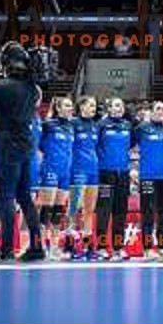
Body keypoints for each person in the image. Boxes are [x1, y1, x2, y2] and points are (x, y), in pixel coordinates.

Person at [0, 42, 45, 261]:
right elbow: (37, 98)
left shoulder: (0, 86)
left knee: (5, 197)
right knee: (25, 197)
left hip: (7, 145)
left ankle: (6, 249)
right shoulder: (32, 87)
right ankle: (36, 247)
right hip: (27, 146)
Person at [134, 101, 163, 261]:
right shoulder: (141, 129)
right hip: (148, 176)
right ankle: (147, 248)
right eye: (158, 108)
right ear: (151, 111)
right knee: (148, 213)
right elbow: (128, 144)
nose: (161, 111)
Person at [95, 97, 133, 261]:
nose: (119, 108)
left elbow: (130, 145)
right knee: (104, 210)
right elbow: (95, 146)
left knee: (120, 212)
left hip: (123, 173)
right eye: (116, 105)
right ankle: (102, 247)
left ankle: (118, 248)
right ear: (108, 108)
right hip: (105, 173)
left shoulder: (127, 125)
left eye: (121, 106)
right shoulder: (101, 125)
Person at [38, 97, 74, 260]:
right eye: (67, 105)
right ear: (58, 108)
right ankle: (40, 245)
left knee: (59, 212)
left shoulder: (71, 126)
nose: (70, 108)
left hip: (65, 172)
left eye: (71, 106)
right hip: (51, 169)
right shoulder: (48, 125)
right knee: (46, 209)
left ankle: (54, 245)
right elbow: (37, 144)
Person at [68, 96, 99, 260]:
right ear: (81, 107)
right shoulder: (73, 123)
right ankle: (72, 245)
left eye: (95, 105)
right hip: (77, 170)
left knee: (89, 210)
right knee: (74, 209)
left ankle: (87, 246)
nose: (94, 108)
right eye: (91, 105)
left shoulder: (96, 126)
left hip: (93, 170)